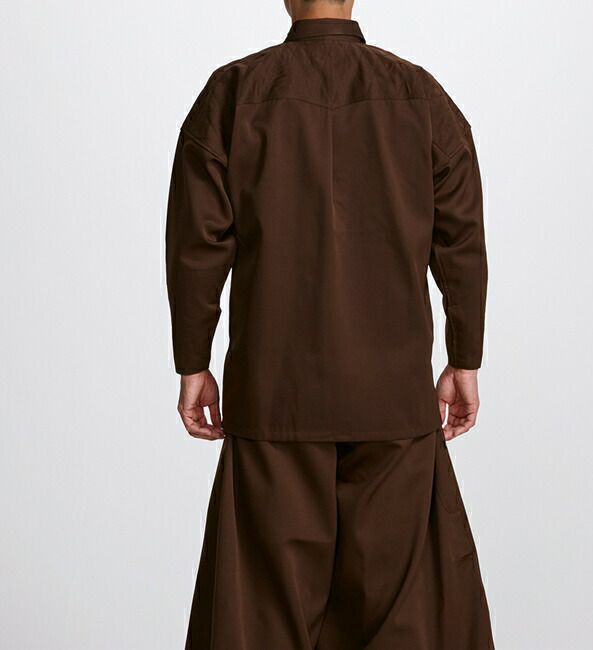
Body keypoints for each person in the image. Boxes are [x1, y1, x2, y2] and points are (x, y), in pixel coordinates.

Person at [166, 0, 494, 648]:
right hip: (392, 404)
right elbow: (462, 238)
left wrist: (193, 362)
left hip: (273, 402)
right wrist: (465, 357)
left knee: (259, 625)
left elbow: (195, 244)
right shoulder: (421, 98)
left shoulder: (233, 95)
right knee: (405, 626)